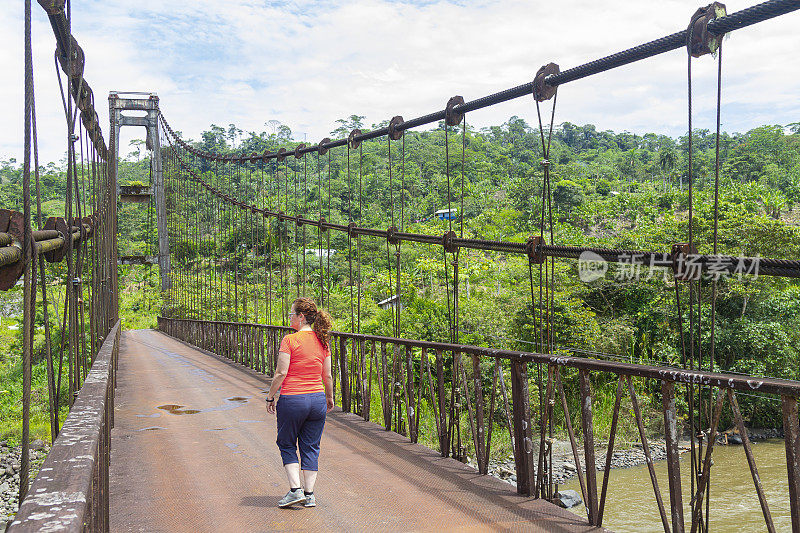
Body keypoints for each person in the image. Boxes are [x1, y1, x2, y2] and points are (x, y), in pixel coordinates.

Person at [265, 297, 335, 508]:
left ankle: (295, 490)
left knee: (286, 443)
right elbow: (328, 376)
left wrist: (270, 396)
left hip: (293, 400)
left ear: (301, 317)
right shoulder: (323, 341)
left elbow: (281, 373)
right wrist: (329, 398)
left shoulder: (290, 340)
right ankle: (310, 494)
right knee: (311, 446)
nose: (289, 318)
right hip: (317, 400)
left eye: (291, 314)